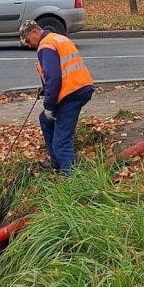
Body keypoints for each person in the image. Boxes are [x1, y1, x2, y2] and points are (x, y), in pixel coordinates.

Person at [19, 20, 94, 175]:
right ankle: (57, 164)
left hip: (71, 93)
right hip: (77, 88)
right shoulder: (56, 38)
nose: (28, 44)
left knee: (61, 142)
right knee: (45, 120)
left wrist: (49, 105)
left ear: (35, 32)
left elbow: (53, 77)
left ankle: (70, 179)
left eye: (27, 40)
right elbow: (61, 71)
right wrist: (46, 90)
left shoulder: (45, 45)